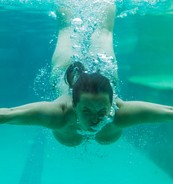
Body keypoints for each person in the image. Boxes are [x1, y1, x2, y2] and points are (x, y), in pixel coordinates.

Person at [0, 2, 173, 147]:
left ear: (112, 105)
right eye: (87, 110)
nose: (95, 119)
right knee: (98, 31)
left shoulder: (120, 114)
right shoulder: (58, 114)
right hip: (73, 71)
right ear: (74, 105)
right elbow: (8, 114)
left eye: (102, 111)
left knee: (75, 29)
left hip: (70, 68)